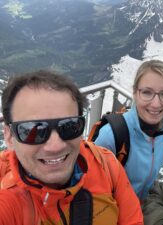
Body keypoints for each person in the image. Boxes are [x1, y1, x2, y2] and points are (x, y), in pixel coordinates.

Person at [0, 70, 143, 225]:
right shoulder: (7, 200)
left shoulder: (106, 165)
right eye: (34, 131)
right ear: (9, 137)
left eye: (69, 126)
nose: (55, 146)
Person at [94, 59, 163, 200]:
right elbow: (93, 187)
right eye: (147, 92)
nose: (156, 104)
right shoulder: (112, 135)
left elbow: (152, 150)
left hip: (145, 205)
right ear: (135, 93)